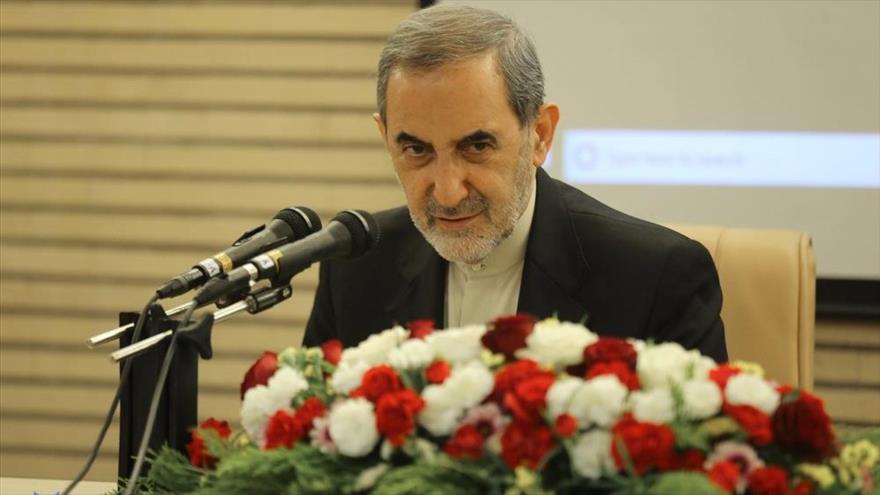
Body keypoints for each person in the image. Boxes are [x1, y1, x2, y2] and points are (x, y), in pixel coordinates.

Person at [303, 4, 727, 363]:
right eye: (417, 151)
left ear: (539, 134)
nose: (448, 192)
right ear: (385, 138)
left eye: (477, 146)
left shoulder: (656, 279)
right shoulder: (355, 269)